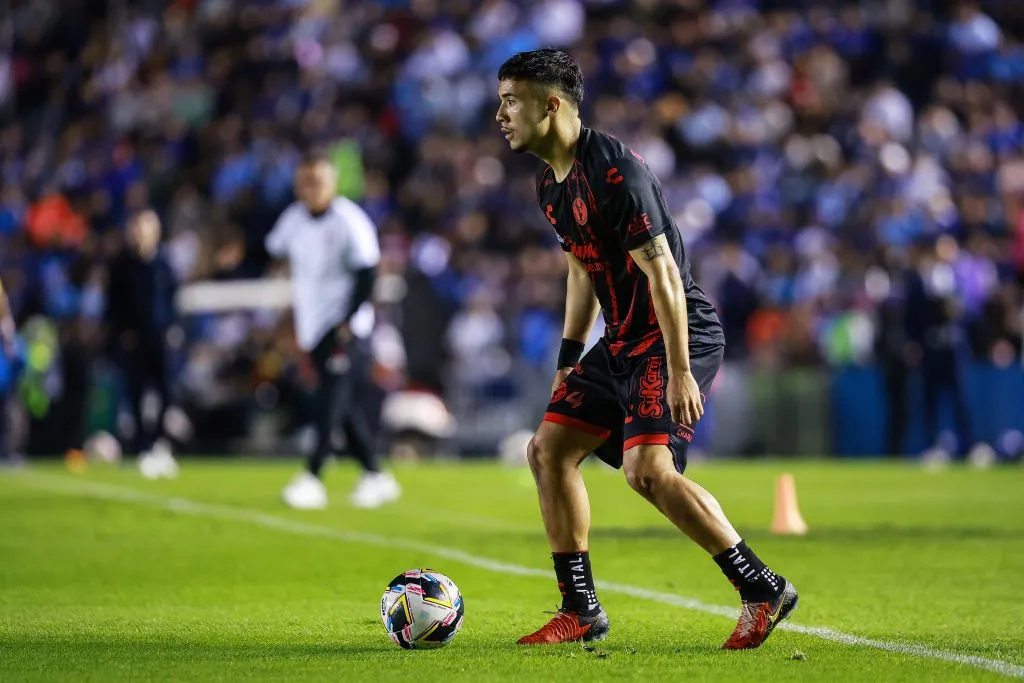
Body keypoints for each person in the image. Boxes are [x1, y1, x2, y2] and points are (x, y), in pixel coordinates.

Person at [495, 49, 797, 649]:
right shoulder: (549, 184)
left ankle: (761, 588)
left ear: (550, 104)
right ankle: (579, 609)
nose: (499, 114)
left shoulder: (614, 172)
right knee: (548, 448)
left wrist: (682, 370)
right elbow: (581, 272)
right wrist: (567, 363)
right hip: (625, 338)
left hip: (672, 332)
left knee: (648, 472)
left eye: (509, 100)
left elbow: (663, 278)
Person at [265, 151, 399, 510]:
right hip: (311, 327)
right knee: (341, 404)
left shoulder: (349, 221)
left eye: (318, 182)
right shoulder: (293, 219)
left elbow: (368, 274)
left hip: (344, 328)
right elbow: (273, 248)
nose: (311, 189)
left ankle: (312, 476)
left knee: (330, 402)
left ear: (333, 184)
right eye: (305, 182)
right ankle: (375, 474)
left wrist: (346, 320)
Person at [106, 210, 179, 479]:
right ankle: (142, 448)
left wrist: (173, 327)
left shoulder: (164, 264)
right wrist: (121, 334)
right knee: (135, 395)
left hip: (161, 339)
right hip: (133, 340)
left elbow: (173, 298)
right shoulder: (121, 265)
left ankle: (158, 442)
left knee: (167, 393)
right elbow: (113, 305)